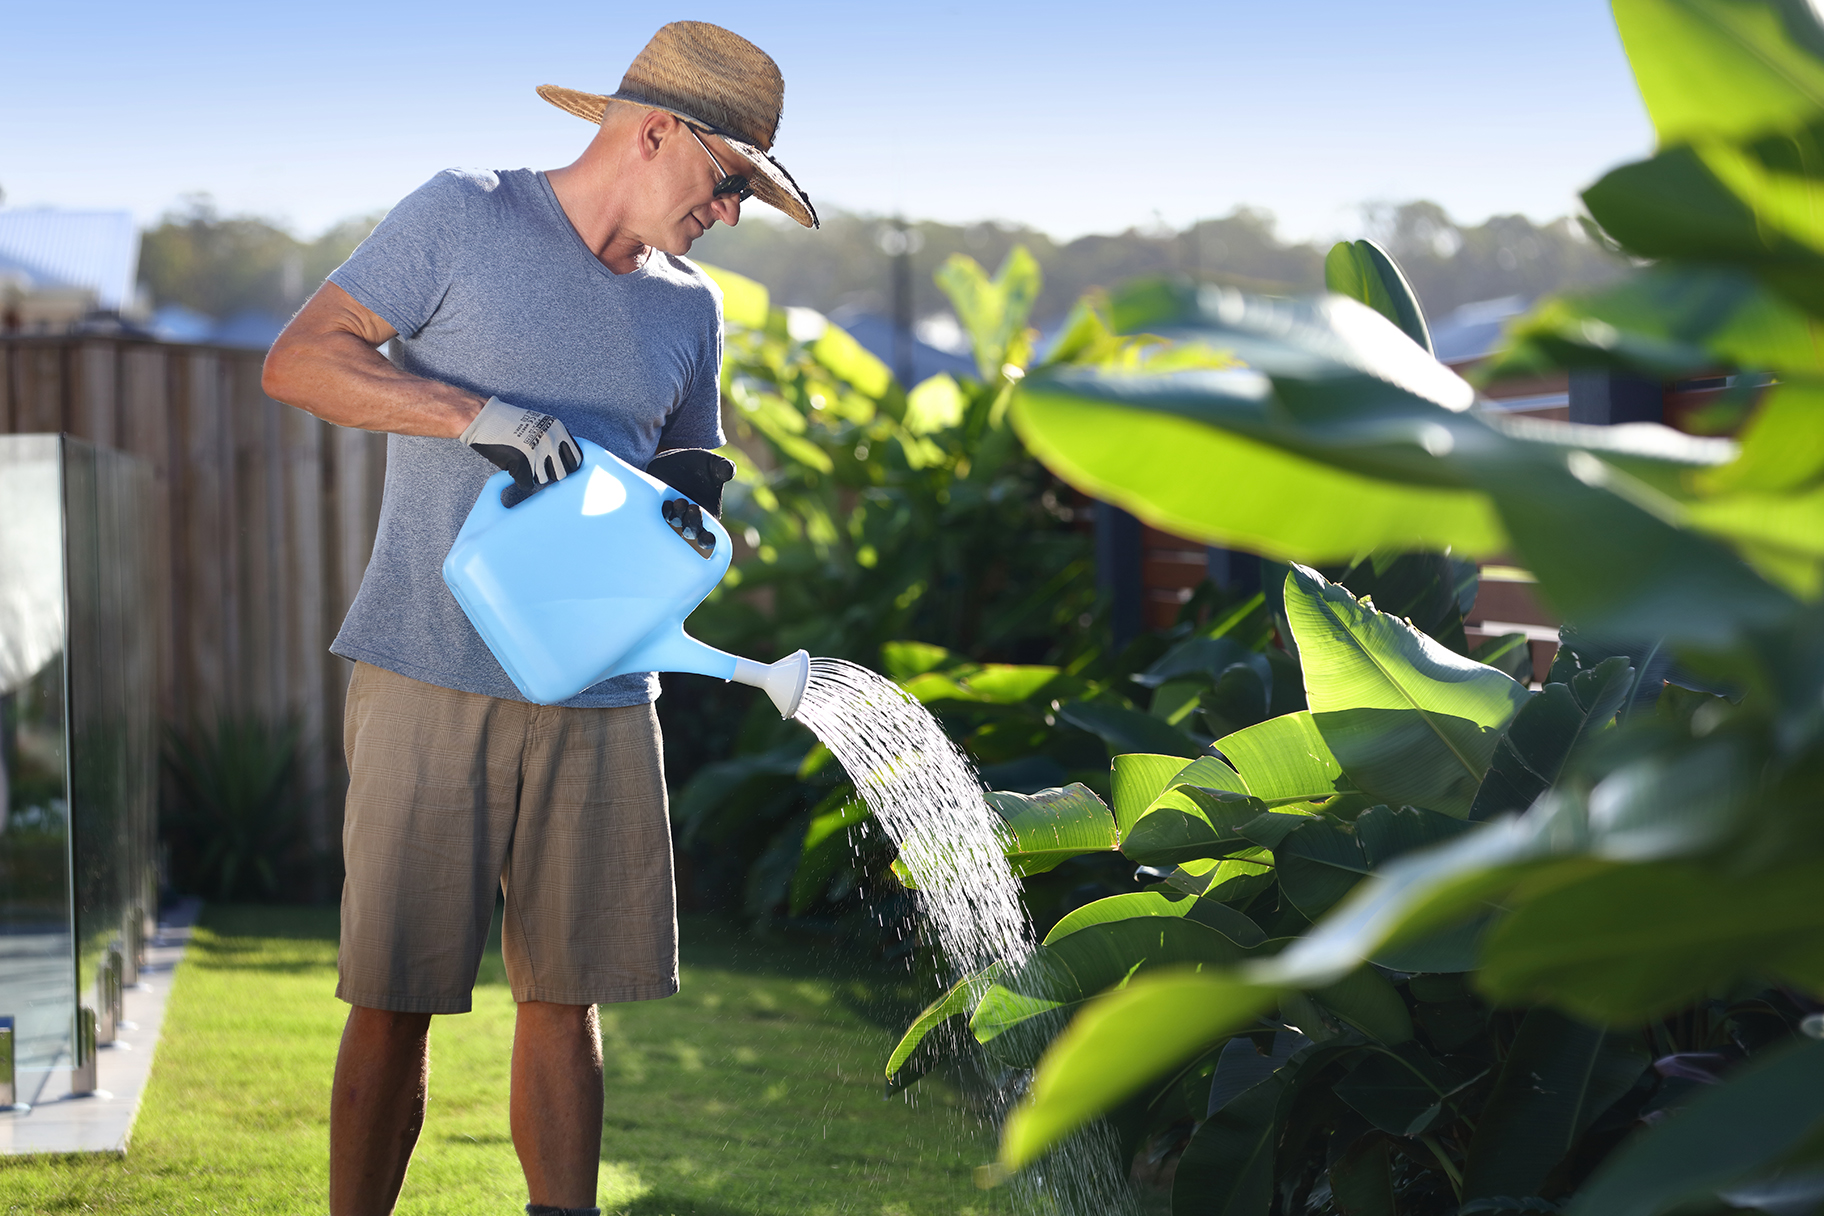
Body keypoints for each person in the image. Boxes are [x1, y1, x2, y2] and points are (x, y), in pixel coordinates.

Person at [261, 22, 817, 1216]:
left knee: (568, 998)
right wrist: (472, 415)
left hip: (603, 689)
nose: (731, 215)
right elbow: (301, 362)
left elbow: (690, 479)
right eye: (730, 184)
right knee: (395, 993)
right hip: (428, 664)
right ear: (657, 133)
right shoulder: (465, 213)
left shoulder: (690, 311)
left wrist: (690, 512)